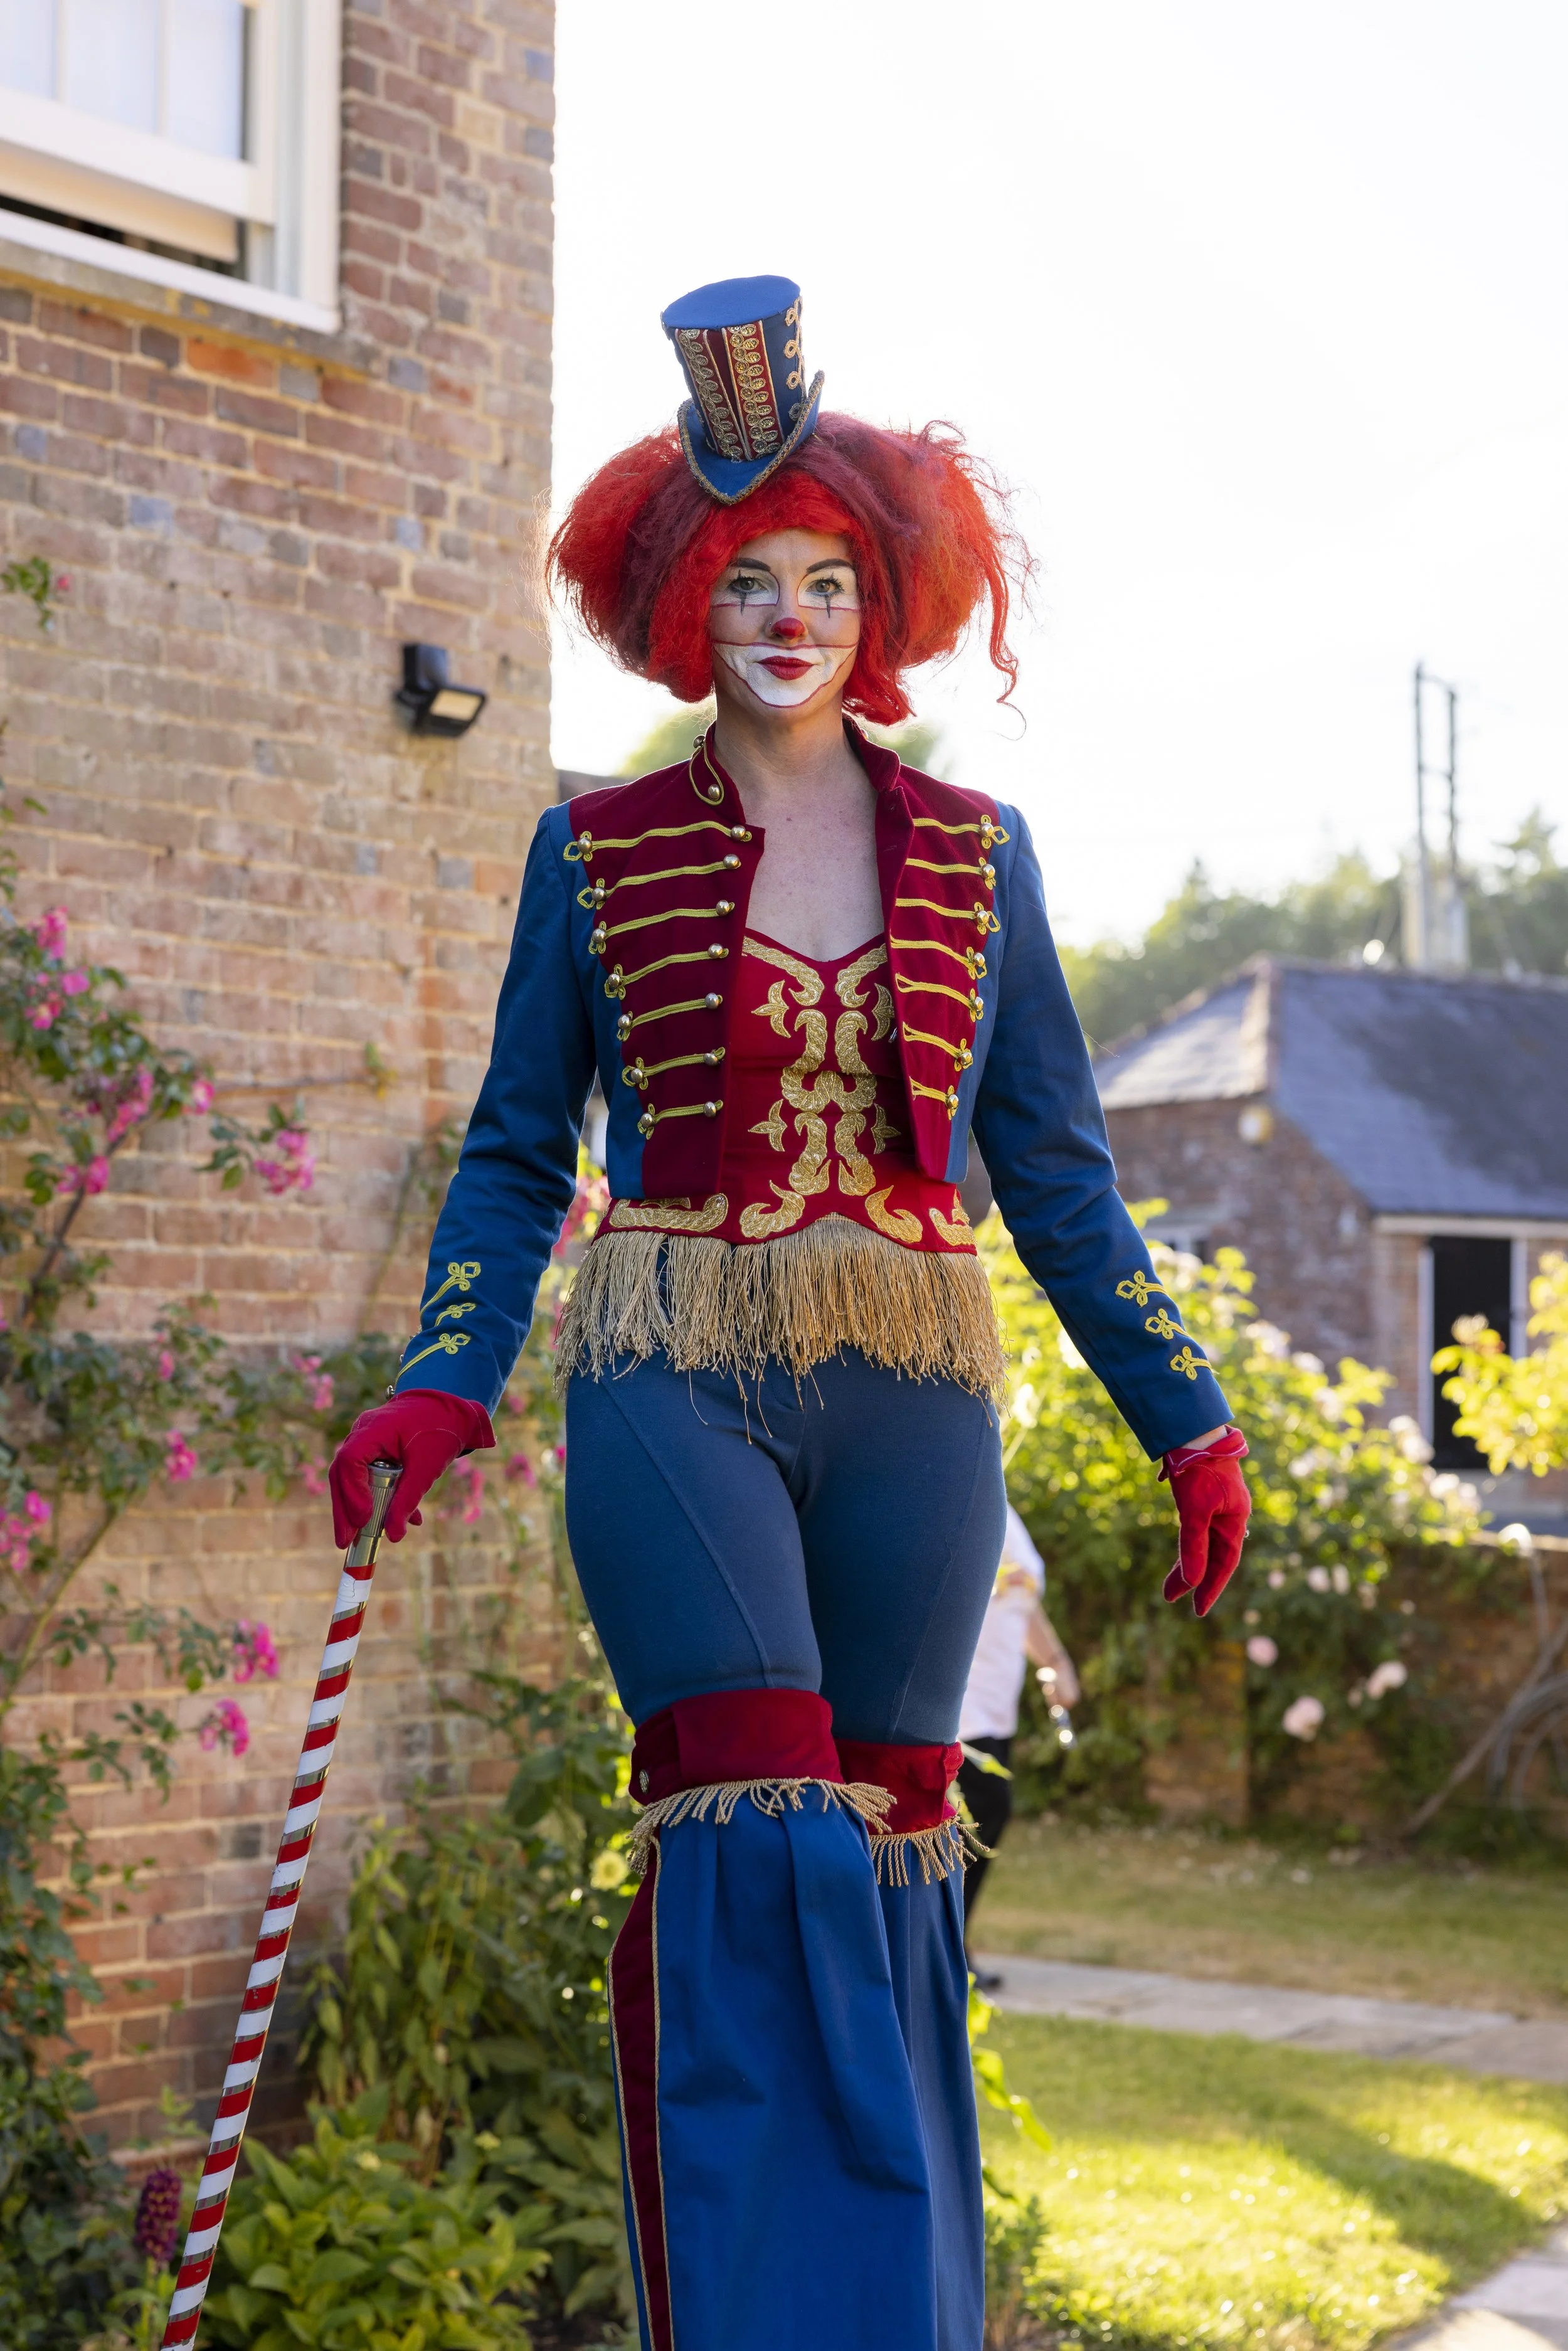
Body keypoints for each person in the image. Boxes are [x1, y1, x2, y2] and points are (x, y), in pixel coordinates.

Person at [330, 277, 1253, 2351]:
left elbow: (1061, 1171)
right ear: (688, 601)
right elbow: (506, 1148)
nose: (789, 614)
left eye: (828, 577)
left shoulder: (980, 858)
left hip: (917, 1380)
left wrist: (1185, 1410)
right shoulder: (596, 851)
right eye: (749, 576)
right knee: (753, 1831)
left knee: (905, 1853)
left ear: (881, 604)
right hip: (673, 1364)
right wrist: (443, 1379)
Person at [956, 1502, 1079, 1989]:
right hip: (958, 1708)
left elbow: (1020, 1603)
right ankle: (943, 1948)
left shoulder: (1003, 1510)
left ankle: (949, 1945)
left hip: (995, 1710)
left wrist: (1056, 1661)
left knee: (984, 1820)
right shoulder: (961, 1499)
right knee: (982, 1813)